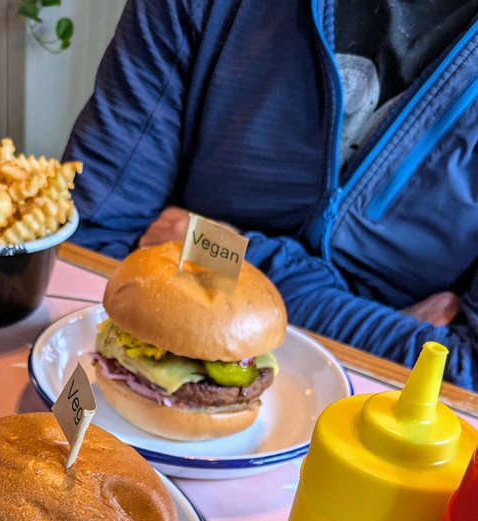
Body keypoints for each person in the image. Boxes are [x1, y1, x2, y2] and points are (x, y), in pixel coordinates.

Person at [64, 0, 478, 389]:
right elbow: (96, 243)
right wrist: (392, 331)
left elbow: (464, 370)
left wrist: (218, 256)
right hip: (151, 379)